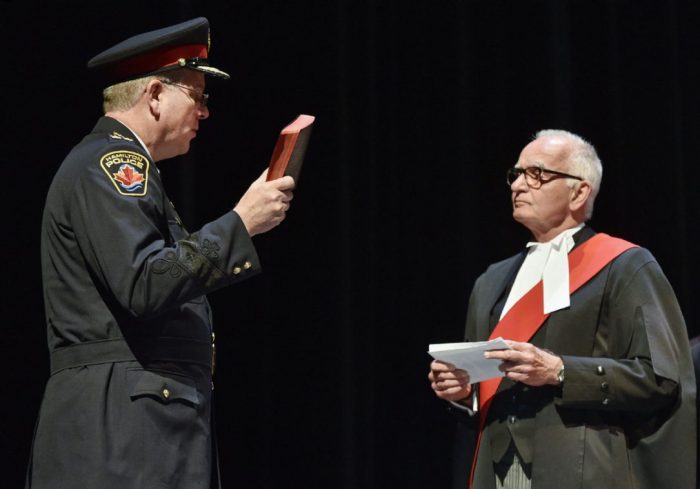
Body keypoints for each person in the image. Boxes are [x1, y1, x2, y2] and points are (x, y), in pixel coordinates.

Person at [26, 18, 295, 489]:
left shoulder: (113, 164)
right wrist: (240, 223)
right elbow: (145, 282)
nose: (205, 112)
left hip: (131, 427)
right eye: (197, 96)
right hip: (122, 434)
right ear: (154, 94)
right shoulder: (113, 163)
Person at [428, 130, 696, 489]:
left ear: (579, 192)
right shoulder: (490, 282)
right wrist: (463, 393)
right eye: (516, 174)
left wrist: (560, 371)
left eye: (535, 174)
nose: (517, 185)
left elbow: (660, 380)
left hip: (583, 470)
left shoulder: (626, 266)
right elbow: (483, 392)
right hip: (497, 471)